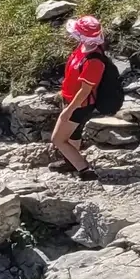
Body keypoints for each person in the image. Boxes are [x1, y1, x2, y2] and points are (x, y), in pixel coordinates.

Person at [51, 13, 111, 177]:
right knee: (74, 134)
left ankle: (84, 169)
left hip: (79, 105)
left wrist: (68, 110)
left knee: (58, 139)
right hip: (72, 100)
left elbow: (85, 91)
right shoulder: (86, 46)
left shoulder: (94, 61)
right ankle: (69, 163)